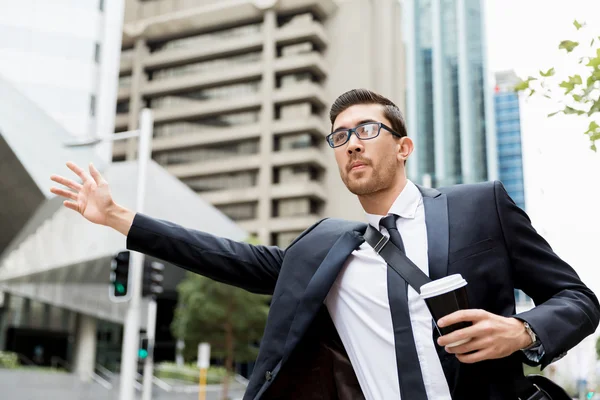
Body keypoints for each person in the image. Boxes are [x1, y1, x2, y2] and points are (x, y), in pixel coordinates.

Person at [50, 88, 600, 400]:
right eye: (339, 137)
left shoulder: (482, 206)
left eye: (366, 130)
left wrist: (522, 330)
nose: (351, 145)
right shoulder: (328, 248)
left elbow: (578, 299)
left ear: (404, 145)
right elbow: (228, 257)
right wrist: (120, 217)